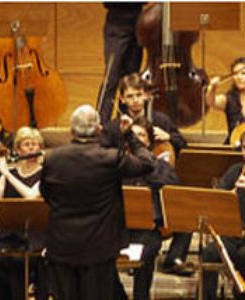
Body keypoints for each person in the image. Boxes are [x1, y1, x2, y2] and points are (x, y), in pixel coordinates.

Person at [39, 104, 156, 300]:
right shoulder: (110, 158)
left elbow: (46, 194)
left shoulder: (52, 159)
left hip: (61, 247)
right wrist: (129, 135)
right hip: (98, 250)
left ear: (71, 130)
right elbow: (147, 163)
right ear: (99, 129)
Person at [101, 73, 193, 299]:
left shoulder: (160, 120)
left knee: (175, 221)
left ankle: (170, 262)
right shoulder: (113, 128)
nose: (134, 100)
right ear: (121, 99)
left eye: (138, 95)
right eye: (129, 96)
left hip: (150, 211)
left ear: (146, 96)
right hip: (118, 215)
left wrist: (169, 138)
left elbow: (181, 145)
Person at [0, 126, 48, 300]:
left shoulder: (46, 174)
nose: (31, 148)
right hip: (9, 234)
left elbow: (31, 196)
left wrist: (7, 173)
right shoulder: (7, 175)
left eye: (34, 144)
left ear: (40, 149)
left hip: (36, 235)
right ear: (18, 149)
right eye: (26, 144)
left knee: (17, 261)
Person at [202, 132, 245, 300]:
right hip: (232, 234)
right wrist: (232, 192)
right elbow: (216, 200)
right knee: (210, 253)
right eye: (244, 148)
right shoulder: (235, 171)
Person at [98, 3, 145, 126]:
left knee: (131, 79)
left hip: (139, 18)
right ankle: (102, 126)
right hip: (116, 21)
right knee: (111, 78)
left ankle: (127, 124)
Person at [206, 57, 245, 145]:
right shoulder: (230, 99)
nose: (239, 77)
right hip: (234, 147)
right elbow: (211, 102)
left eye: (243, 73)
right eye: (235, 74)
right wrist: (212, 88)